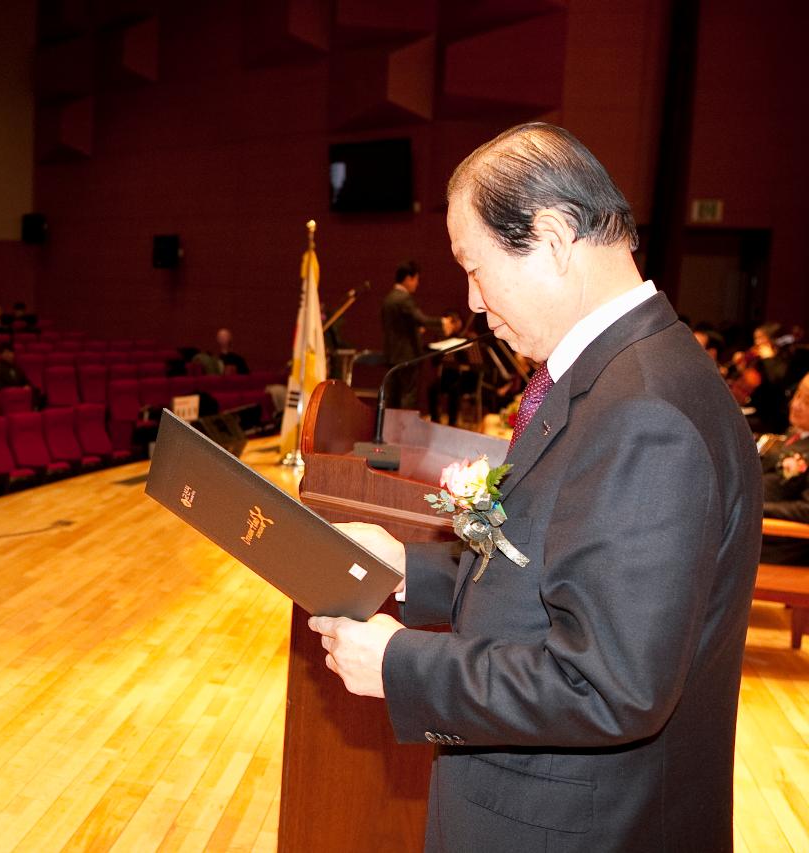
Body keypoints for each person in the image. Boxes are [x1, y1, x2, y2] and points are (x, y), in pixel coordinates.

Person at [309, 123, 762, 851]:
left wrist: (401, 663)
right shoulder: (619, 374)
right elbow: (549, 565)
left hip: (580, 827)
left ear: (551, 239)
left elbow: (609, 682)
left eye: (475, 267)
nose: (475, 302)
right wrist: (403, 567)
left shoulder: (646, 410)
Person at [381, 260, 454, 409]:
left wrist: (414, 328)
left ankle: (390, 430)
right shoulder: (404, 298)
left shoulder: (388, 298)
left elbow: (396, 326)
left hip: (391, 355)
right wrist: (442, 322)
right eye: (416, 279)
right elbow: (421, 318)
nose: (417, 284)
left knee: (392, 397)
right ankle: (405, 431)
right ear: (408, 278)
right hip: (407, 356)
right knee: (408, 395)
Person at [760, 373, 809, 565]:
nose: (796, 405)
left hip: (781, 542)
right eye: (797, 395)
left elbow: (806, 510)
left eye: (807, 402)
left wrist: (760, 509)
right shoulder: (793, 433)